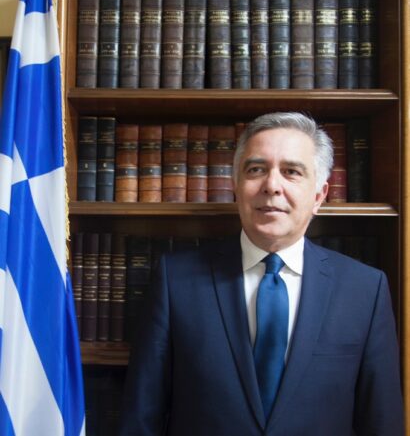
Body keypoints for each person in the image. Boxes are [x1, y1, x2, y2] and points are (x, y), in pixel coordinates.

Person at [120, 112, 404, 436]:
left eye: (292, 171)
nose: (272, 186)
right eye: (256, 170)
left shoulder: (365, 290)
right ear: (236, 187)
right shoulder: (175, 281)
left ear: (319, 196)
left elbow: (382, 422)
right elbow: (141, 418)